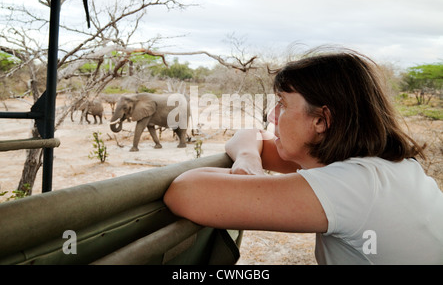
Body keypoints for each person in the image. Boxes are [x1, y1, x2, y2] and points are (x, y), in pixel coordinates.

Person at [163, 48, 443, 265]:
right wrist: (248, 159)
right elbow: (251, 134)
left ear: (321, 120)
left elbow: (185, 192)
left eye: (283, 104)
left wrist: (251, 163)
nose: (272, 115)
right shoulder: (388, 166)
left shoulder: (354, 185)